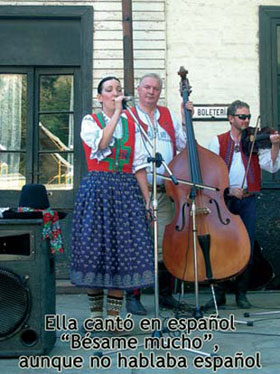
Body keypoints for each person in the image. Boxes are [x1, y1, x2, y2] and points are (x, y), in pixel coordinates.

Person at [70, 76, 154, 321]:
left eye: (118, 89)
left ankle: (115, 318)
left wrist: (147, 200)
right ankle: (96, 316)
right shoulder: (90, 121)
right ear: (100, 97)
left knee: (122, 252)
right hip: (97, 190)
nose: (115, 93)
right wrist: (117, 113)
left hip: (125, 191)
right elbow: (103, 142)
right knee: (94, 251)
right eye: (109, 90)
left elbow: (138, 166)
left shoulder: (132, 125)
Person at [124, 73, 193, 315]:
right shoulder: (128, 116)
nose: (151, 92)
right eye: (147, 87)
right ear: (139, 90)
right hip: (134, 190)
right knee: (136, 244)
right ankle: (132, 296)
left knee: (166, 243)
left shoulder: (168, 116)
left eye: (156, 88)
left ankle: (164, 295)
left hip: (164, 191)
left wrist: (186, 121)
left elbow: (184, 145)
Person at [205, 99, 280, 310]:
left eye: (248, 116)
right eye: (242, 116)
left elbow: (271, 166)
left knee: (245, 245)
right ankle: (219, 293)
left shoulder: (255, 140)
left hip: (248, 199)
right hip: (224, 200)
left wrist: (274, 145)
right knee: (220, 245)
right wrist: (228, 190)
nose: (247, 120)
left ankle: (241, 293)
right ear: (231, 119)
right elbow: (210, 174)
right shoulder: (217, 141)